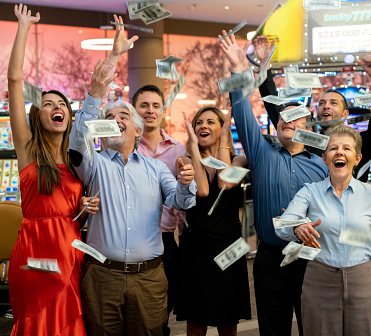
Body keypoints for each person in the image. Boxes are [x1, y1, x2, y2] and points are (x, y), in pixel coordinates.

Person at [68, 57, 197, 335]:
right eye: (110, 118)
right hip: (102, 277)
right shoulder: (93, 164)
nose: (116, 120)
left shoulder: (157, 168)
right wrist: (96, 95)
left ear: (137, 130)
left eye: (124, 116)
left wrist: (187, 183)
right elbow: (78, 140)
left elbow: (181, 201)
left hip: (149, 278)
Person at [219, 31, 328, 336]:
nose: (287, 120)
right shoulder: (262, 154)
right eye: (281, 115)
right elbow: (241, 109)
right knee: (272, 330)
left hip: (310, 258)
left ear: (306, 126)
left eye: (295, 117)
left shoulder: (321, 166)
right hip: (270, 260)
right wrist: (239, 70)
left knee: (314, 327)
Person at [7, 4, 99, 335]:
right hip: (34, 252)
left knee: (70, 323)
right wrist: (24, 28)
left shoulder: (79, 159)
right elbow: (15, 80)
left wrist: (84, 209)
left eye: (61, 103)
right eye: (48, 104)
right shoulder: (28, 150)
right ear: (38, 116)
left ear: (69, 117)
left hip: (70, 249)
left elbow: (75, 209)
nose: (56, 107)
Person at [275, 125, 371, 336]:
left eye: (346, 148)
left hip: (364, 283)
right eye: (333, 148)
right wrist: (297, 226)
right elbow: (283, 225)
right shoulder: (310, 192)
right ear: (324, 158)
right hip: (319, 282)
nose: (339, 152)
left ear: (357, 158)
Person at [254, 36, 371, 181]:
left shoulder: (358, 142)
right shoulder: (306, 140)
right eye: (321, 103)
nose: (326, 106)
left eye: (333, 103)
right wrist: (265, 64)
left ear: (345, 113)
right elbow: (277, 111)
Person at [175, 107, 251, 335]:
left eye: (211, 122)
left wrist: (226, 139)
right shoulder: (184, 159)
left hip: (230, 245)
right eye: (199, 122)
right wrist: (195, 152)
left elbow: (224, 183)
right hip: (197, 246)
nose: (203, 126)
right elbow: (203, 190)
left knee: (228, 319)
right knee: (196, 320)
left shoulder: (239, 160)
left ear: (222, 128)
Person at [132, 85, 187, 336]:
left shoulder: (178, 150)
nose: (150, 111)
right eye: (144, 105)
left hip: (166, 242)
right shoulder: (125, 149)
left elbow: (184, 197)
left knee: (161, 311)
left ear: (163, 111)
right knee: (133, 311)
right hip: (132, 239)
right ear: (134, 110)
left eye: (156, 106)